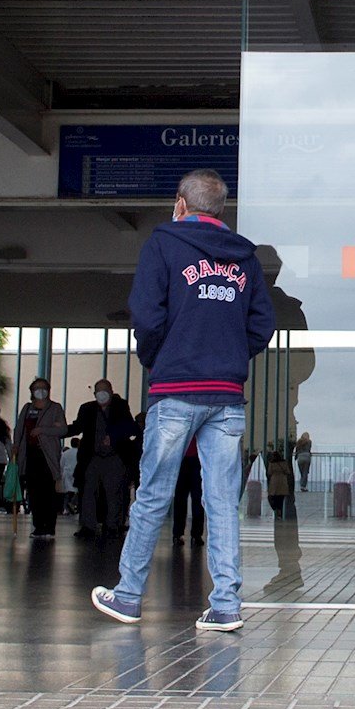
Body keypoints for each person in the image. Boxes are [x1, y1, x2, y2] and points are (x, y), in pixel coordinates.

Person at [91, 167, 275, 632]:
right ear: (221, 210)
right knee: (220, 501)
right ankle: (227, 605)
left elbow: (147, 315)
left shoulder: (163, 244)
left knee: (153, 495)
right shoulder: (245, 257)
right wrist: (232, 355)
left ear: (180, 203)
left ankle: (129, 595)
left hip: (175, 390)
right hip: (227, 396)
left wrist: (160, 360)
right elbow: (262, 326)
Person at [68, 377, 136, 540]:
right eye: (99, 390)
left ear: (112, 392)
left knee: (114, 492)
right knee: (88, 491)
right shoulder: (87, 409)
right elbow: (77, 427)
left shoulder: (121, 407)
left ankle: (113, 525)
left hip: (114, 457)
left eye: (105, 390)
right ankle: (88, 525)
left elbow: (130, 427)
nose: (102, 394)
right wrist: (58, 430)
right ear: (94, 393)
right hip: (92, 457)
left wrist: (114, 436)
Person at [16, 379, 67, 540]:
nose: (41, 391)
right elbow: (19, 429)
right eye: (37, 389)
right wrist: (15, 445)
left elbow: (62, 429)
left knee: (48, 491)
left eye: (44, 388)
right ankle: (38, 525)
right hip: (30, 455)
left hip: (47, 456)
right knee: (33, 492)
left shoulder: (55, 408)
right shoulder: (27, 409)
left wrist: (43, 430)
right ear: (32, 391)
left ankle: (49, 526)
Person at [168, 442, 204, 547]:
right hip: (189, 458)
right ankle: (191, 534)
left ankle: (182, 534)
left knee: (187, 499)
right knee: (188, 499)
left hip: (187, 458)